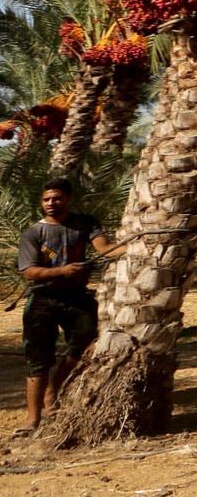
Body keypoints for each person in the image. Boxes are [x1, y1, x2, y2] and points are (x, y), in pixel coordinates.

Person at [15, 178, 117, 435]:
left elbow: (104, 248)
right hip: (42, 301)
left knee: (83, 347)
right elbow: (29, 271)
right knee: (37, 359)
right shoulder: (33, 233)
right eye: (47, 199)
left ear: (67, 199)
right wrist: (62, 270)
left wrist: (138, 243)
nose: (51, 203)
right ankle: (32, 419)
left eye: (57, 198)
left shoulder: (85, 224)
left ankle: (54, 390)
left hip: (77, 298)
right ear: (42, 202)